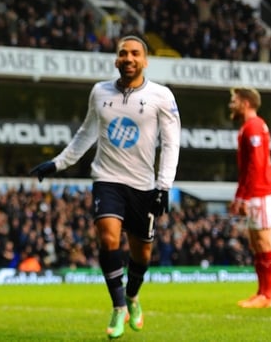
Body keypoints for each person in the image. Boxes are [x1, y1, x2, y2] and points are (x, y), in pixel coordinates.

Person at [28, 36, 180, 339]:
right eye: (123, 53)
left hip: (144, 186)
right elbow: (86, 133)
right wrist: (58, 163)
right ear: (116, 59)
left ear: (145, 60)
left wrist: (163, 186)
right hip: (107, 179)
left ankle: (133, 297)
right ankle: (119, 305)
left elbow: (172, 142)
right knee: (108, 238)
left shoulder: (161, 96)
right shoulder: (100, 92)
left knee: (142, 255)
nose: (129, 58)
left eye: (135, 53)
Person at [228, 87, 271, 308]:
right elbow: (246, 169)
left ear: (246, 103)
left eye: (234, 100)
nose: (231, 104)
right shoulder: (248, 127)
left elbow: (257, 166)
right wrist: (239, 197)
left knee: (265, 240)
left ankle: (267, 296)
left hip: (262, 191)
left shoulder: (254, 127)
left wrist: (246, 198)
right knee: (256, 242)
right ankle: (261, 293)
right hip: (254, 191)